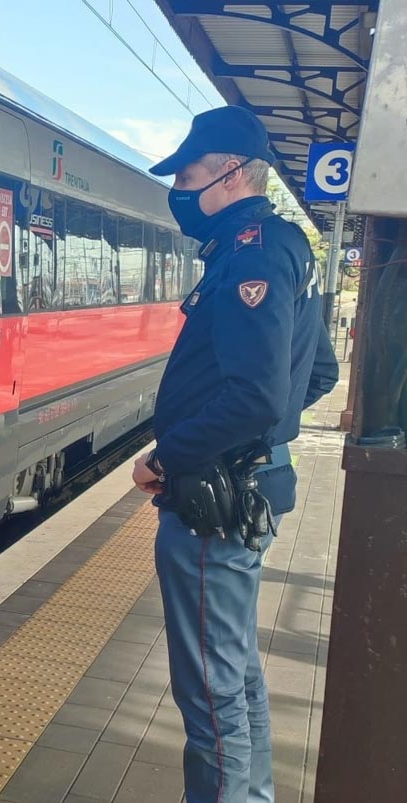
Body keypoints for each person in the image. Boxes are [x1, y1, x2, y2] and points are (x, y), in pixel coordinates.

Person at [133, 106, 339, 803]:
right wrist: (263, 442)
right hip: (252, 483)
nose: (181, 190)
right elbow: (318, 374)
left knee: (211, 689)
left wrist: (167, 457)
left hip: (212, 498)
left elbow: (255, 394)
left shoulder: (249, 250)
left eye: (188, 175)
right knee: (237, 668)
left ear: (228, 174)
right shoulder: (283, 245)